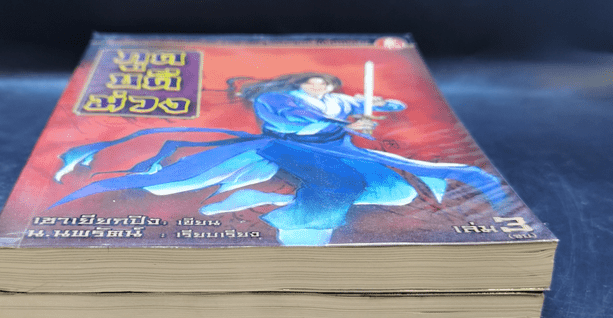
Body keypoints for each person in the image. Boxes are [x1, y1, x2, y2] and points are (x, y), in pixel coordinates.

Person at [51, 72, 506, 245]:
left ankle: (276, 197)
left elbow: (381, 106)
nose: (320, 87)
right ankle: (295, 226)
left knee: (399, 192)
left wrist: (378, 107)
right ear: (300, 84)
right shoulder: (279, 99)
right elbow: (294, 122)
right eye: (313, 83)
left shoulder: (339, 101)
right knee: (169, 185)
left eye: (326, 84)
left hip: (338, 148)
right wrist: (349, 121)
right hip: (289, 147)